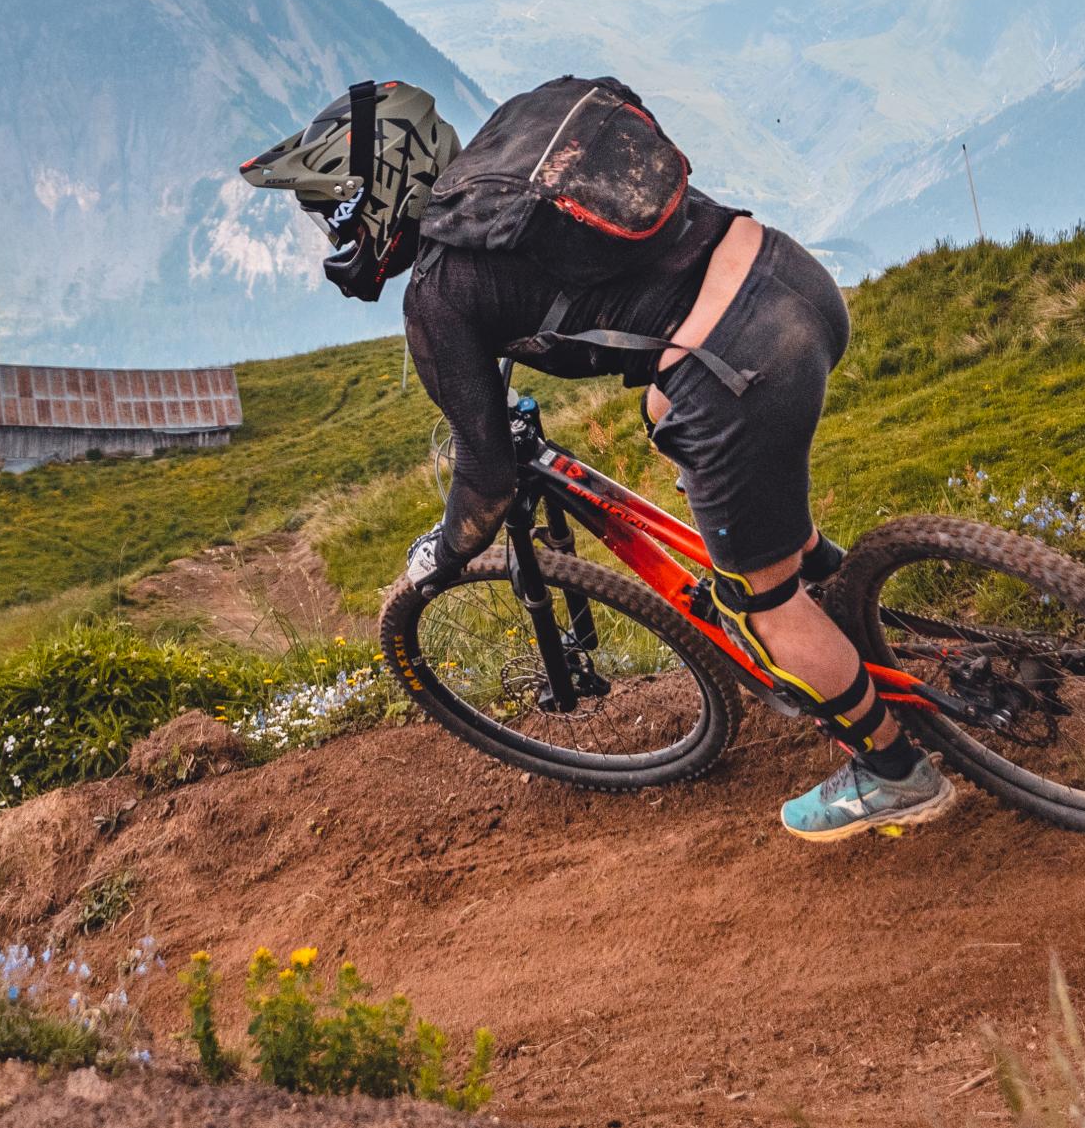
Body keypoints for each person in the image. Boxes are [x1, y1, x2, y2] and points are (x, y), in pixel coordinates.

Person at [240, 75, 955, 841]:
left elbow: (485, 488)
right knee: (668, 413)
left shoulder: (438, 295)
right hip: (790, 279)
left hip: (744, 366)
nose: (333, 237)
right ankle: (832, 586)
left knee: (759, 611)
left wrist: (439, 555)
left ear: (373, 195)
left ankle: (893, 769)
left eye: (331, 214)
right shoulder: (511, 152)